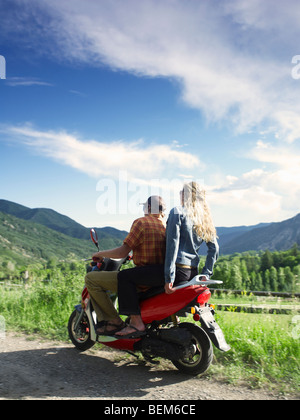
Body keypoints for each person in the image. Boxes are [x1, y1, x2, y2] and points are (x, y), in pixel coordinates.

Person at [85, 195, 166, 335]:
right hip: (158, 277)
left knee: (91, 279)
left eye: (144, 206)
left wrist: (101, 254)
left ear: (148, 208)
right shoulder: (164, 225)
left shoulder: (141, 223)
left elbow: (122, 252)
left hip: (141, 279)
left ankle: (113, 321)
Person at [164, 181, 219, 295]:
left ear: (185, 195)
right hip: (193, 272)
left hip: (178, 271)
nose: (180, 194)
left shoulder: (177, 212)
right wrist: (206, 274)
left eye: (181, 192)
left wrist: (169, 277)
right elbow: (214, 249)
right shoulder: (204, 218)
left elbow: (172, 246)